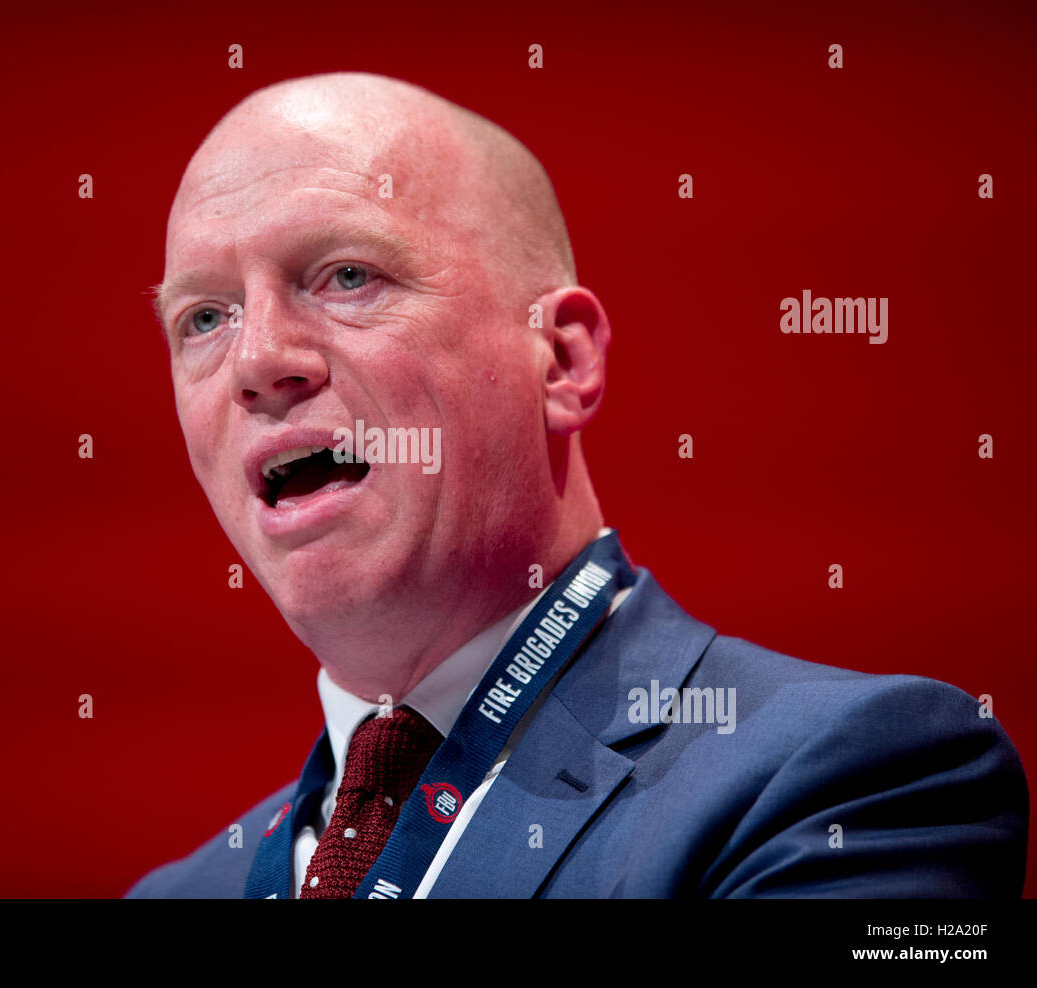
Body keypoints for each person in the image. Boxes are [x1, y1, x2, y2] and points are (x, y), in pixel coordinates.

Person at [128, 72, 1027, 898]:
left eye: (347, 275)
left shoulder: (852, 784)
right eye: (204, 317)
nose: (256, 361)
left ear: (561, 359)